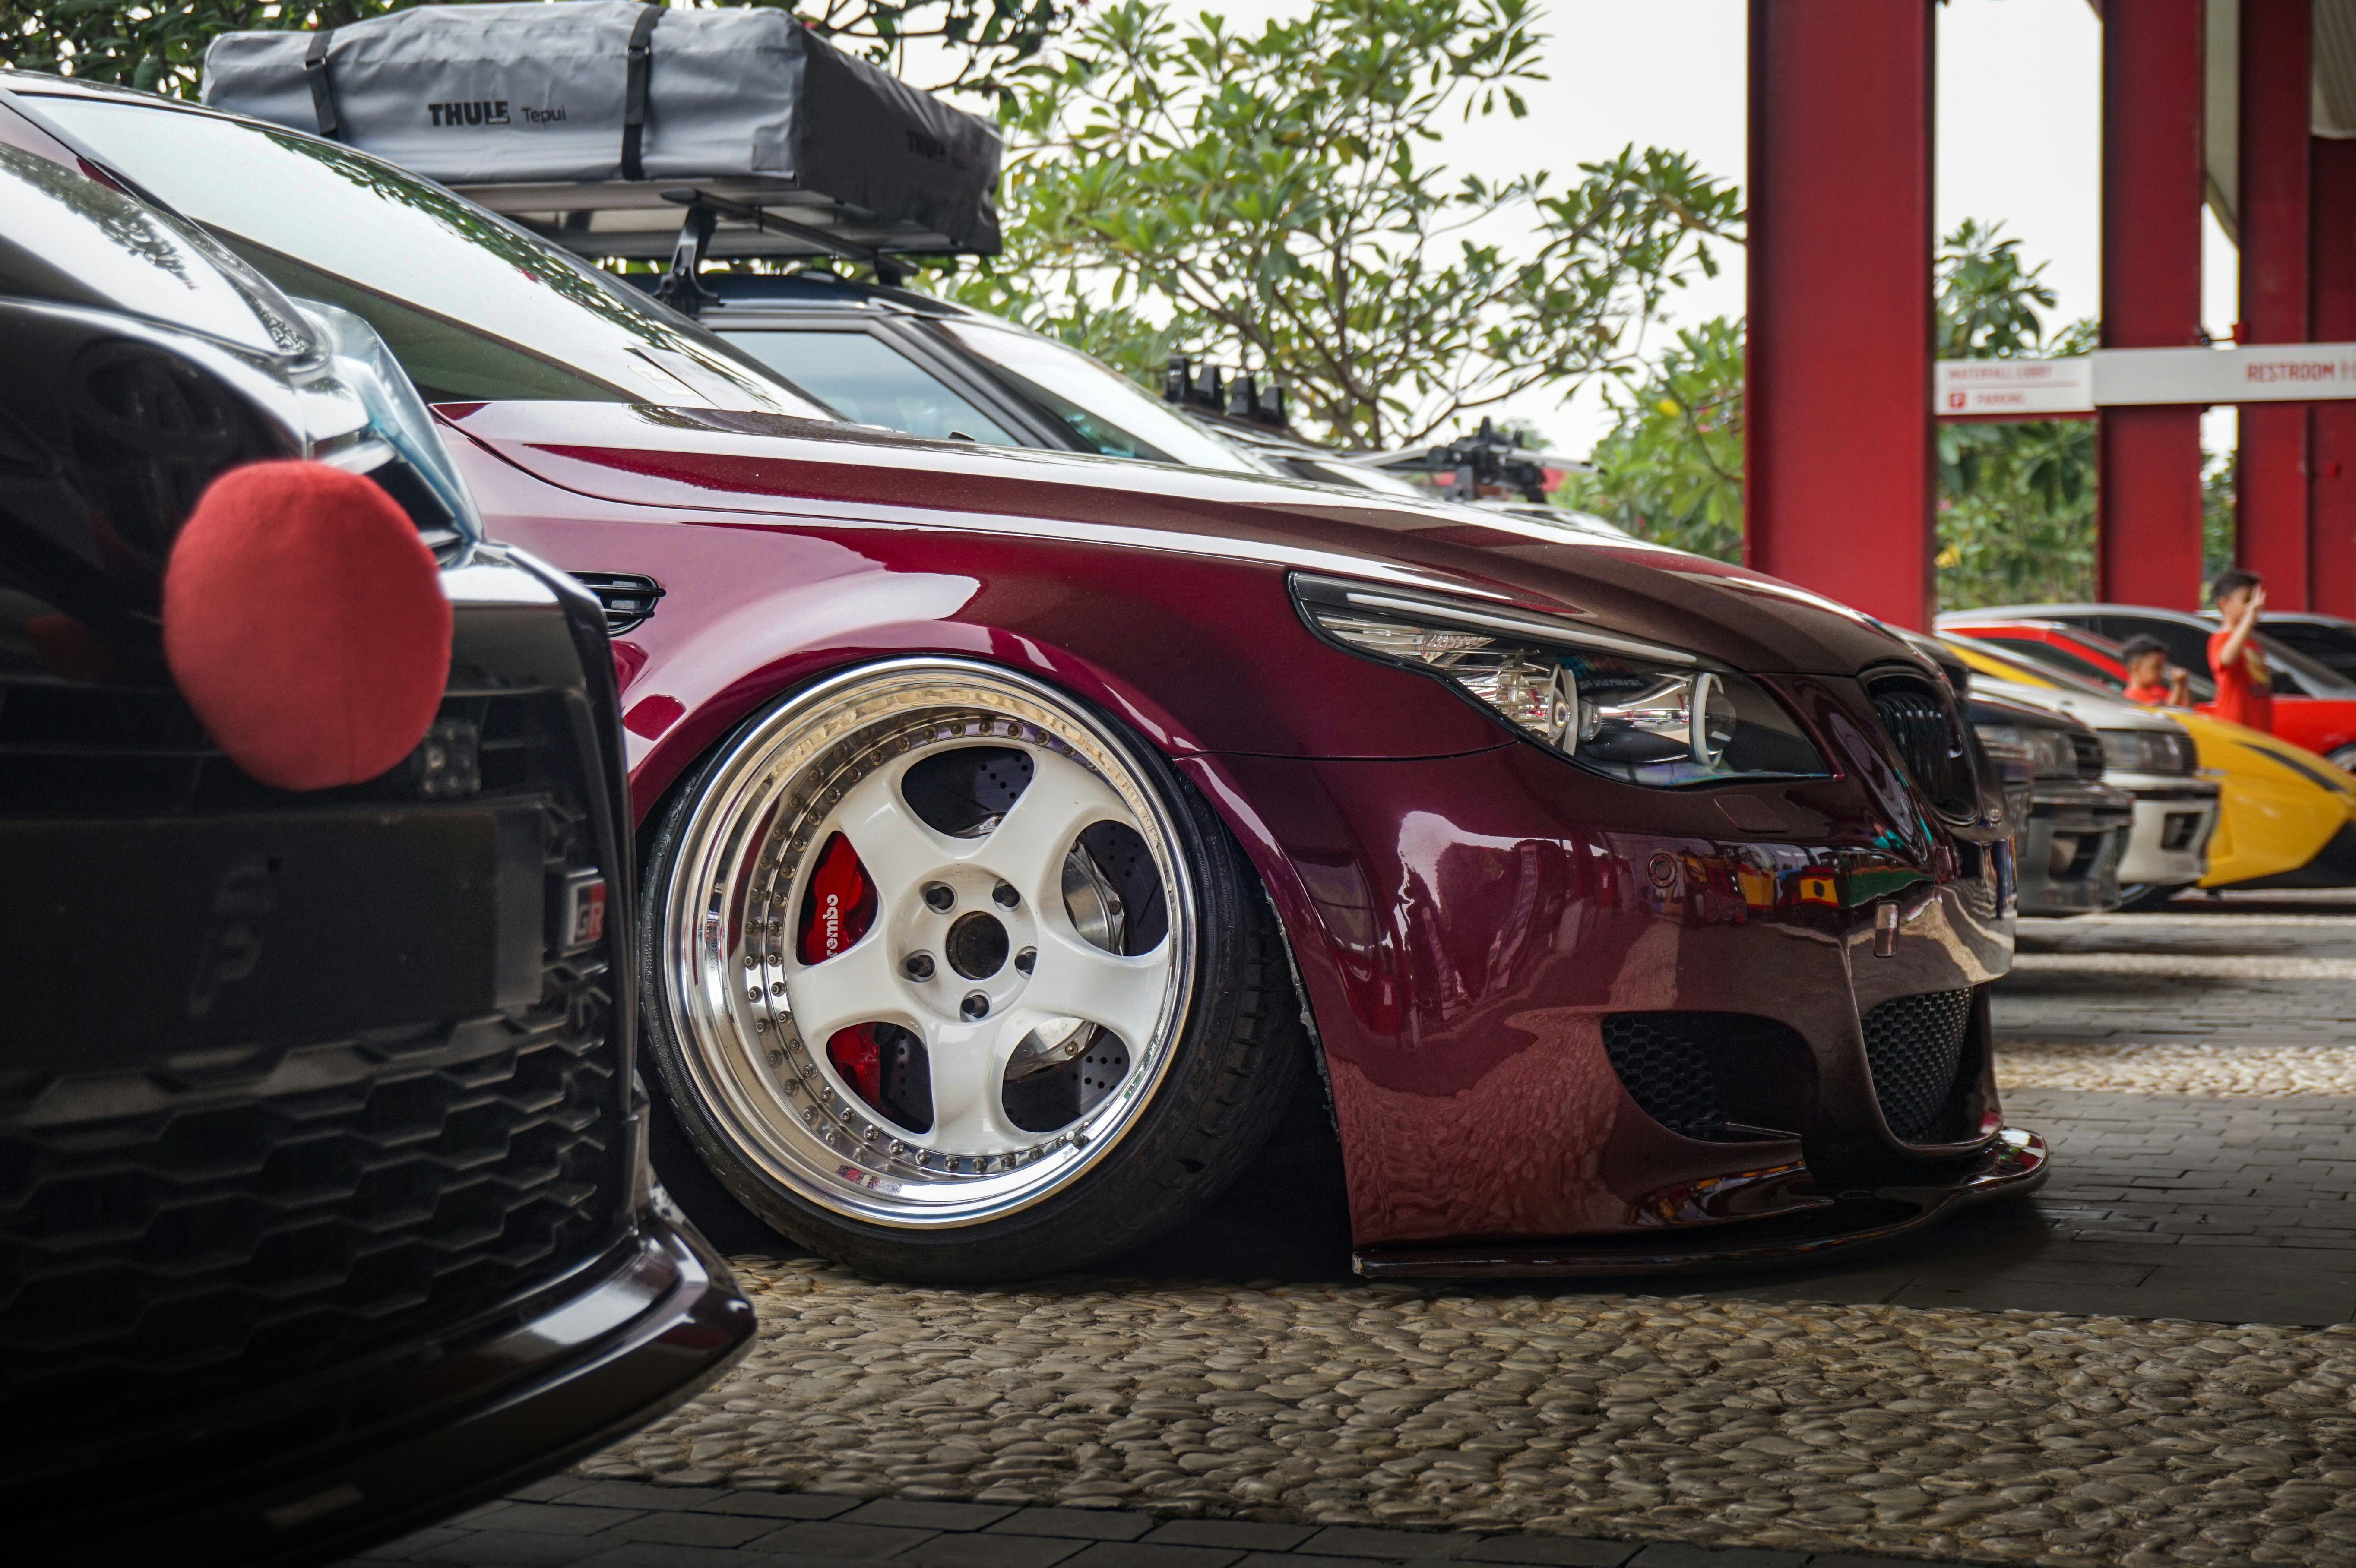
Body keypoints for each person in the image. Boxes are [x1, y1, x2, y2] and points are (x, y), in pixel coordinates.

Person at [2207, 568, 2274, 733]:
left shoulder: (2251, 642)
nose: (2254, 606)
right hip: (2235, 728)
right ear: (2224, 604)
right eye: (2247, 601)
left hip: (2259, 729)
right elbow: (2227, 659)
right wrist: (2249, 620)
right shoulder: (2221, 638)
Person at [2120, 635, 2193, 707]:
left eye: (2162, 668)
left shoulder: (2158, 693)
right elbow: (2164, 716)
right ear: (2136, 667)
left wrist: (2184, 686)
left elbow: (2186, 712)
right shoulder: (2131, 698)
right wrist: (2178, 687)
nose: (2161, 673)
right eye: (2156, 667)